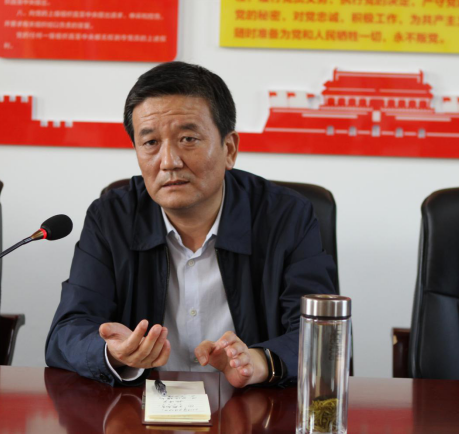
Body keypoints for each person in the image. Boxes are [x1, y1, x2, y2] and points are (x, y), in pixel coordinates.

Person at [45, 61, 336, 388]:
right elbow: (67, 332)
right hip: (142, 406)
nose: (169, 161)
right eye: (151, 143)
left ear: (229, 149)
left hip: (252, 406)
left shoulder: (287, 216)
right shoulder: (111, 218)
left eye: (187, 139)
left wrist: (260, 361)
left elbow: (321, 332)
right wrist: (113, 354)